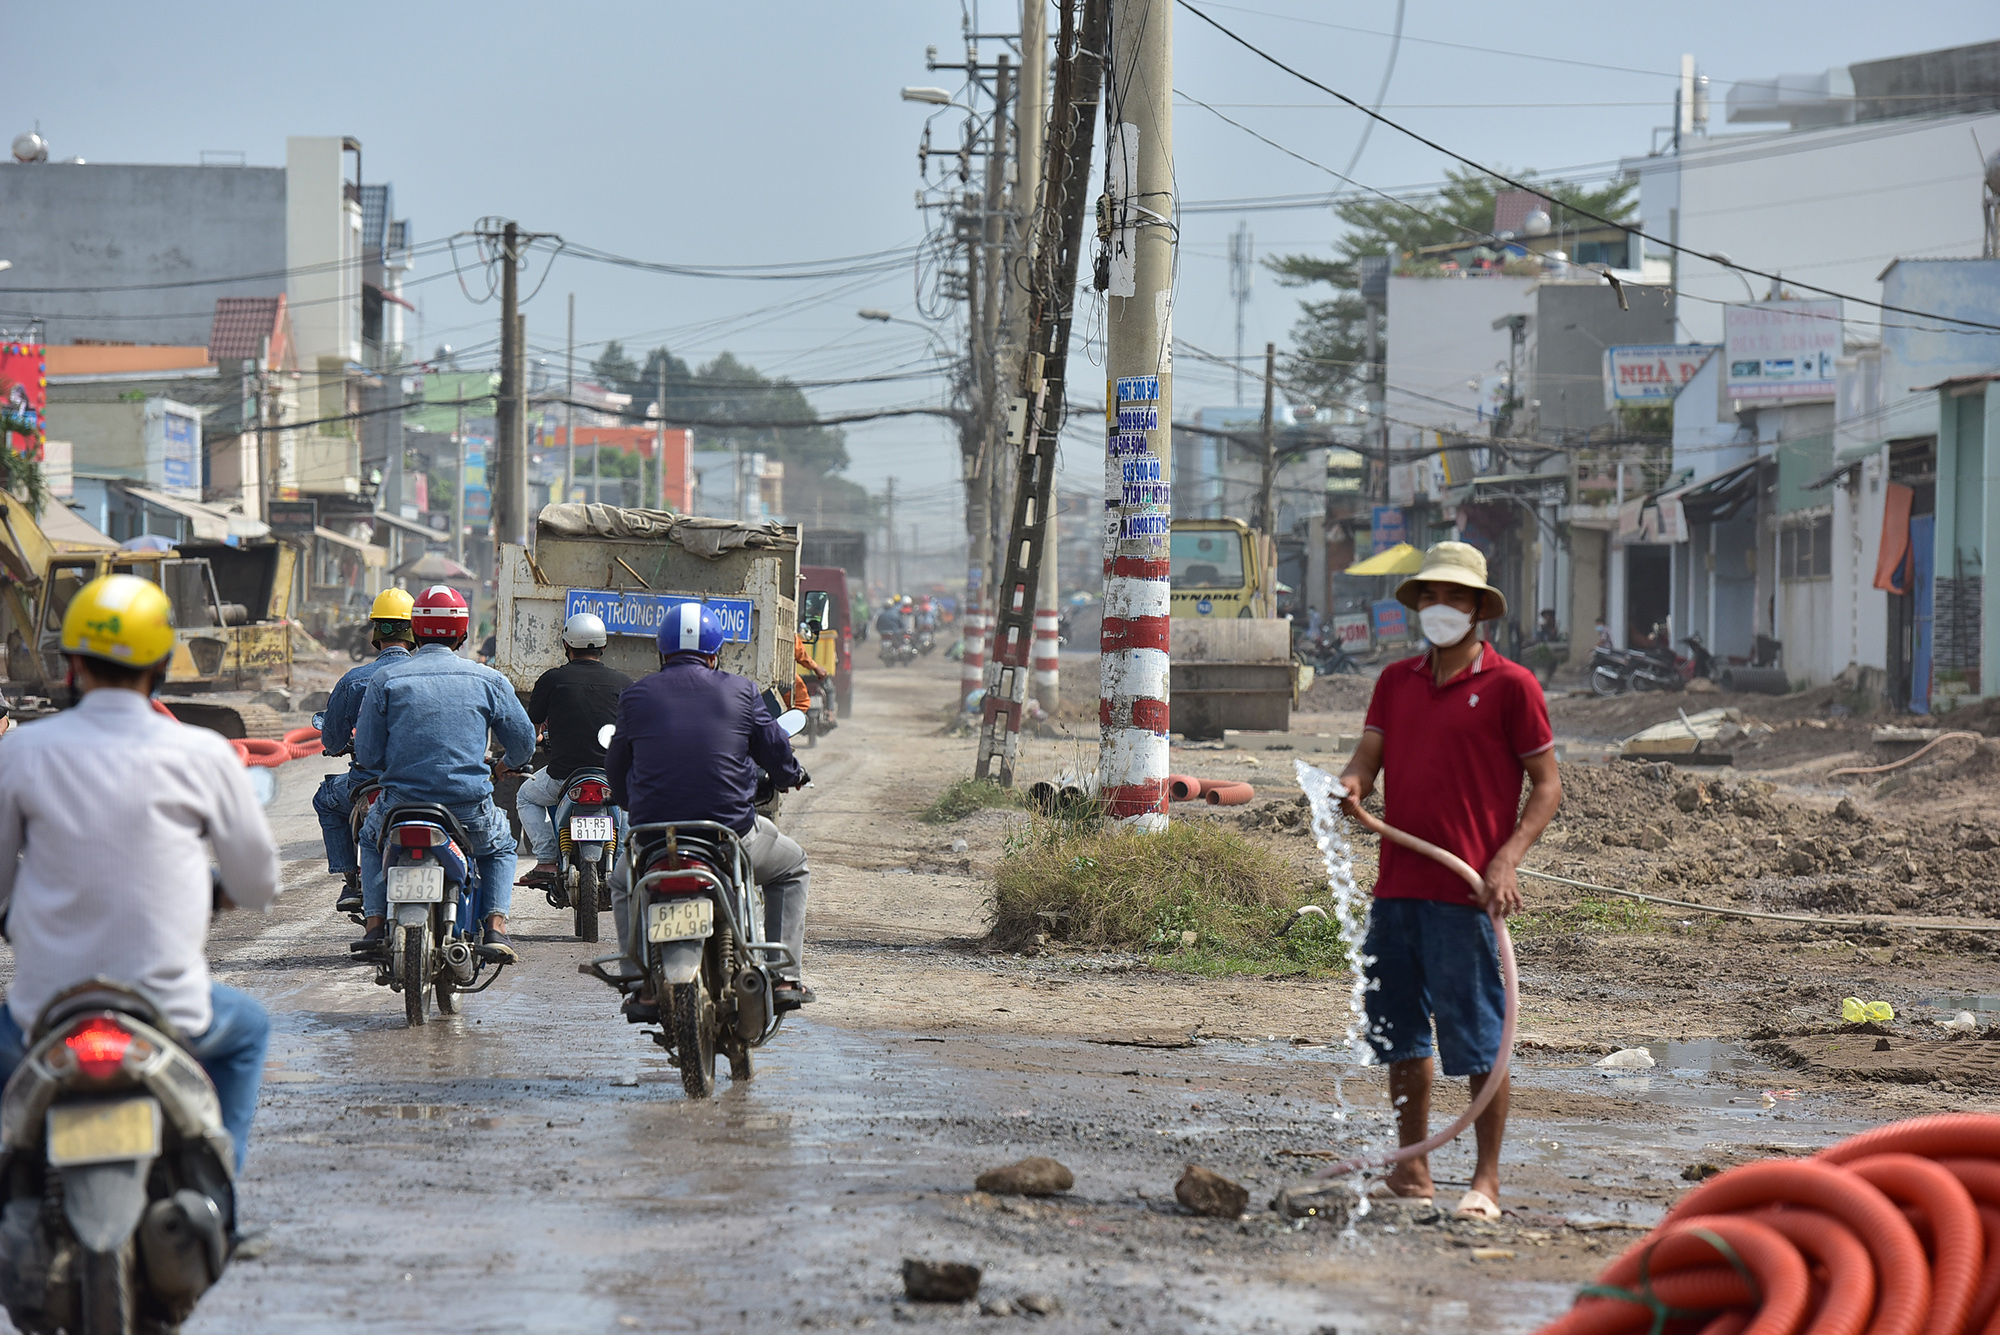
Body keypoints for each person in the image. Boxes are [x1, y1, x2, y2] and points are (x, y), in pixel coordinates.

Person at [0, 575, 280, 1170]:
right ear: (160, 664)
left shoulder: (21, 752)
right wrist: (218, 892)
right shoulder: (203, 754)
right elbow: (258, 883)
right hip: (172, 1015)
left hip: (40, 1016)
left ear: (73, 661)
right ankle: (217, 1187)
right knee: (250, 1027)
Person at [1336, 541, 1561, 1222]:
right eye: (1432, 597)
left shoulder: (1511, 686)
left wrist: (1507, 858)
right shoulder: (1395, 682)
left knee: (1479, 1041)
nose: (1442, 609)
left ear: (1478, 610)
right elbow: (1366, 759)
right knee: (1402, 1037)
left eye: (1456, 599)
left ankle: (1485, 1181)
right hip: (1397, 890)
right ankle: (1413, 1169)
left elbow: (1547, 785)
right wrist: (1349, 785)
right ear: (1419, 606)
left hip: (1465, 897)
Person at [606, 603, 814, 1009]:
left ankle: (636, 979)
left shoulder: (636, 695)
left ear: (661, 653)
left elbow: (616, 766)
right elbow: (774, 748)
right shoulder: (741, 690)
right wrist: (791, 776)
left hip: (655, 840)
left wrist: (633, 808)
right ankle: (783, 976)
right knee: (792, 868)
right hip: (728, 835)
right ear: (716, 653)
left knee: (621, 883)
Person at [352, 585, 535, 962]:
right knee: (500, 847)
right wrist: (502, 767)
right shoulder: (489, 680)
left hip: (400, 807)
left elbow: (368, 755)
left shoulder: (385, 681)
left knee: (371, 840)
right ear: (464, 634)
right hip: (467, 809)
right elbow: (523, 745)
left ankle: (373, 926)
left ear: (415, 632)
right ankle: (496, 928)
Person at [312, 588, 415, 913]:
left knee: (326, 798)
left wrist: (339, 744)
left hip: (369, 784)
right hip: (421, 783)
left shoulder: (355, 680)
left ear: (375, 632)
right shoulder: (430, 676)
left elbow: (331, 741)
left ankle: (351, 878)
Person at [514, 612, 631, 888]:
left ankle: (546, 860)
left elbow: (535, 730)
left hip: (562, 777)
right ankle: (624, 862)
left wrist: (540, 740)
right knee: (629, 804)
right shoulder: (624, 683)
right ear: (603, 647)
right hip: (611, 777)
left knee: (525, 797)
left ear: (566, 646)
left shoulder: (552, 680)